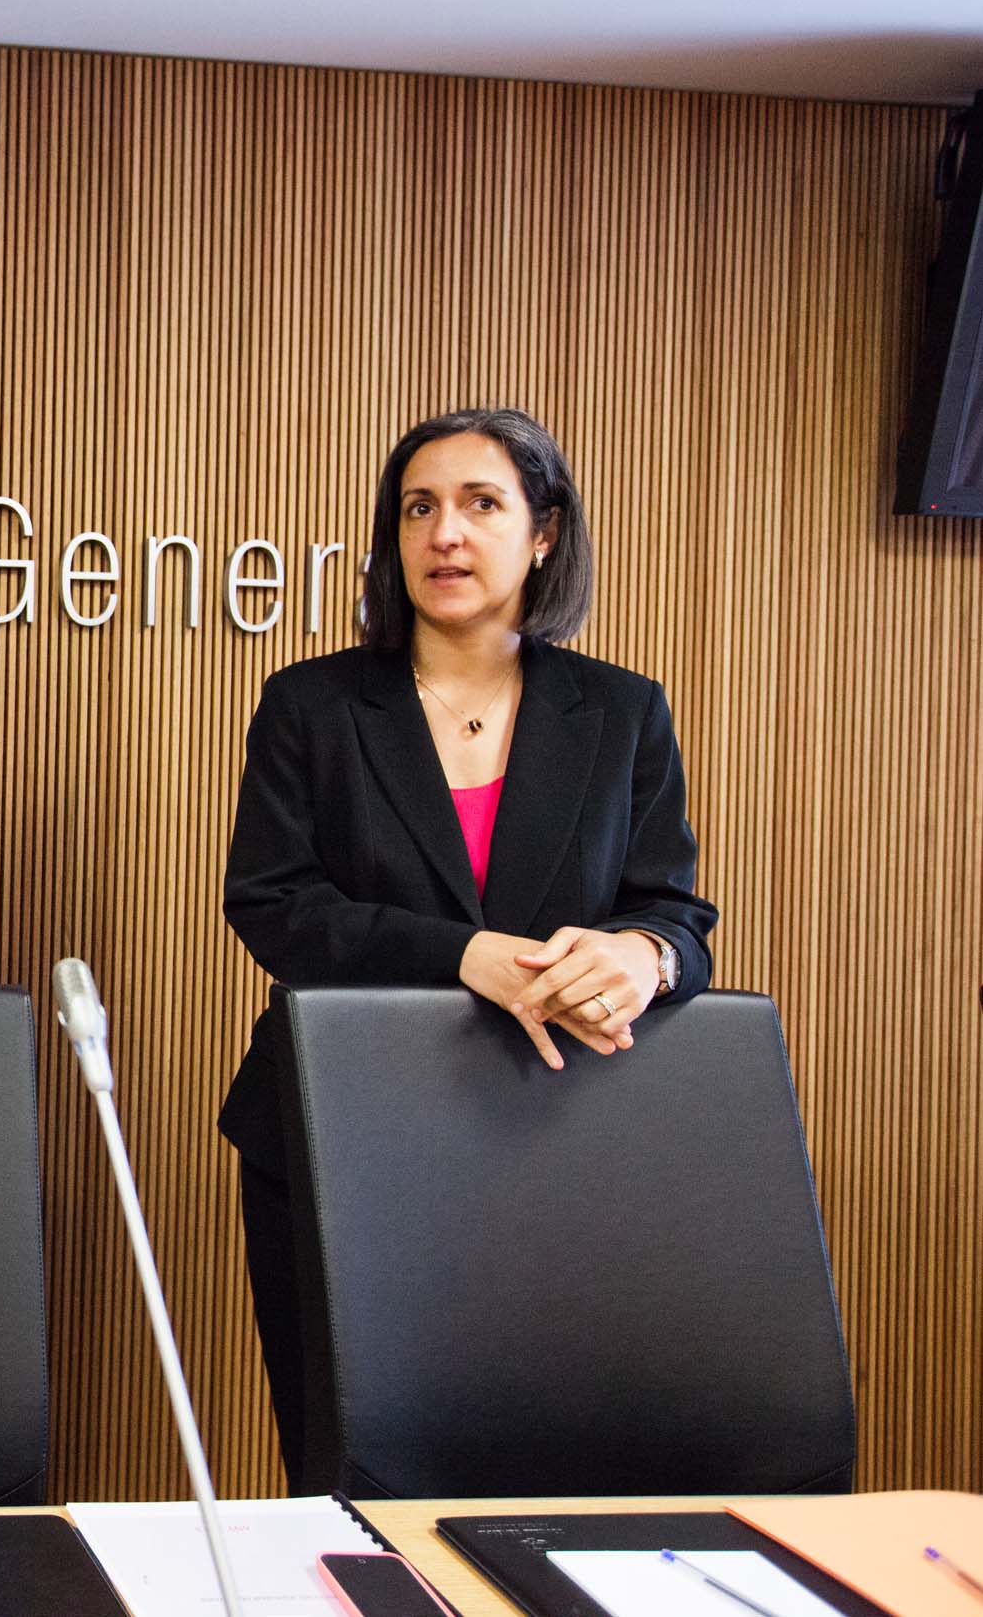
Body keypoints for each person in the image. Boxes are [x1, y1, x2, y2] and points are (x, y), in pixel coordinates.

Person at [219, 405, 716, 1487]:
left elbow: (672, 911)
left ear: (543, 533)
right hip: (338, 1136)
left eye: (480, 504)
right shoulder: (311, 705)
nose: (443, 532)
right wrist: (463, 954)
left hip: (554, 1139)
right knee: (344, 1471)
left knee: (541, 1471)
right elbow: (272, 903)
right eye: (417, 508)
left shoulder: (622, 712)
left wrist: (647, 956)